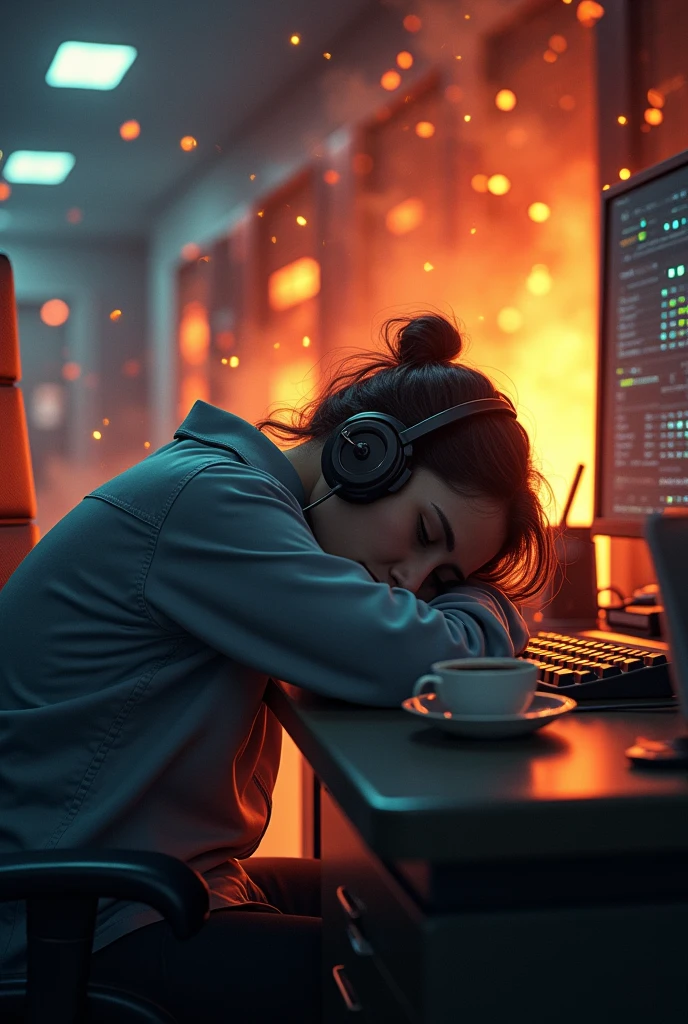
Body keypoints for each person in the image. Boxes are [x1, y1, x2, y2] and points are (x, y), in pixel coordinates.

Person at [0, 312, 557, 1022]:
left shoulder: (226, 492)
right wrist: (494, 604)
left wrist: (470, 599)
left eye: (438, 580)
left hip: (133, 887)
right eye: (423, 534)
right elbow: (421, 657)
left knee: (429, 906)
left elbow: (377, 645)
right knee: (440, 977)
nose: (407, 582)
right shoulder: (214, 503)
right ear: (364, 453)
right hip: (75, 923)